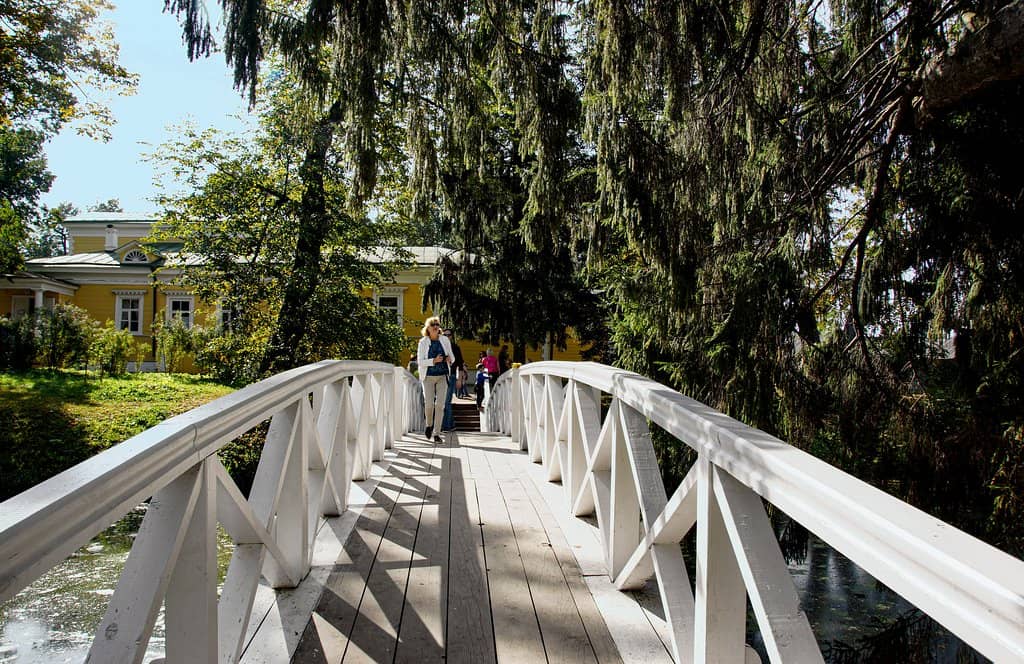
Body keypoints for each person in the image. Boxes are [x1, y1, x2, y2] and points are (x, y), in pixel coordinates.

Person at [416, 316, 453, 442]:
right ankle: (428, 425)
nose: (436, 326)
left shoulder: (444, 340)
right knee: (429, 404)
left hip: (443, 376)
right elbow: (420, 362)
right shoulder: (423, 342)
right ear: (428, 328)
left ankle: (437, 433)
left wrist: (449, 359)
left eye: (437, 324)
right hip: (428, 377)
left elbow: (452, 357)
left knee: (440, 405)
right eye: (433, 325)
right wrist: (434, 361)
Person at [441, 328, 464, 431]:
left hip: (451, 376)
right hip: (440, 376)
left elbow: (460, 365)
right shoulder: (439, 347)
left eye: (448, 335)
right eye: (444, 335)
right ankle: (451, 424)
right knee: (441, 402)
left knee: (446, 401)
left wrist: (459, 379)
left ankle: (447, 426)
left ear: (451, 336)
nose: (446, 337)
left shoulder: (455, 348)